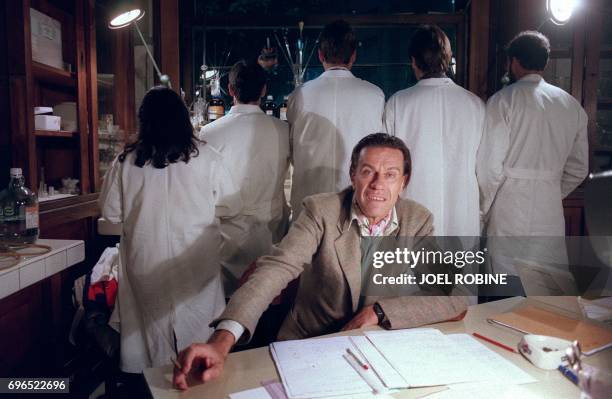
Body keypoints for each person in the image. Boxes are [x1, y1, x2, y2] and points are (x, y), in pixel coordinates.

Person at [172, 133, 468, 389]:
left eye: (390, 174)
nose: (378, 184)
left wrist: (377, 312)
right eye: (368, 171)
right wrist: (221, 343)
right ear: (352, 175)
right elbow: (275, 270)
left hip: (376, 351)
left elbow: (453, 297)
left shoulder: (417, 219)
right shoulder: (320, 210)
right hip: (308, 347)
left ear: (404, 182)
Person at [99, 86, 241, 372]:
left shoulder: (126, 161)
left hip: (145, 263)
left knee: (147, 342)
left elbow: (111, 213)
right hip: (195, 263)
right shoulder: (208, 157)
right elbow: (231, 206)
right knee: (198, 335)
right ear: (182, 118)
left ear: (144, 121)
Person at [477, 31, 588, 275]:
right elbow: (579, 168)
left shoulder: (503, 100)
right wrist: (549, 189)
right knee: (545, 288)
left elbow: (490, 168)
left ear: (513, 61)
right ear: (545, 63)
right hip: (548, 208)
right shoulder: (571, 105)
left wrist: (483, 210)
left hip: (508, 204)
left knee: (506, 289)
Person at [384, 24, 485, 236]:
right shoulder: (474, 104)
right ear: (447, 58)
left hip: (414, 208)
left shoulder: (398, 103)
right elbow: (484, 167)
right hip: (462, 210)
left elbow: (388, 165)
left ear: (413, 60)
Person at [199, 61, 290, 295]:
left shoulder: (210, 132)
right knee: (268, 299)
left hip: (227, 235)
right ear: (263, 90)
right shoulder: (282, 129)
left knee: (227, 304)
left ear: (230, 91)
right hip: (271, 230)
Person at [288, 19, 385, 216]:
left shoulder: (300, 94)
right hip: (357, 200)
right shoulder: (375, 95)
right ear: (353, 56)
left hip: (309, 200)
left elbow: (291, 147)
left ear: (320, 55)